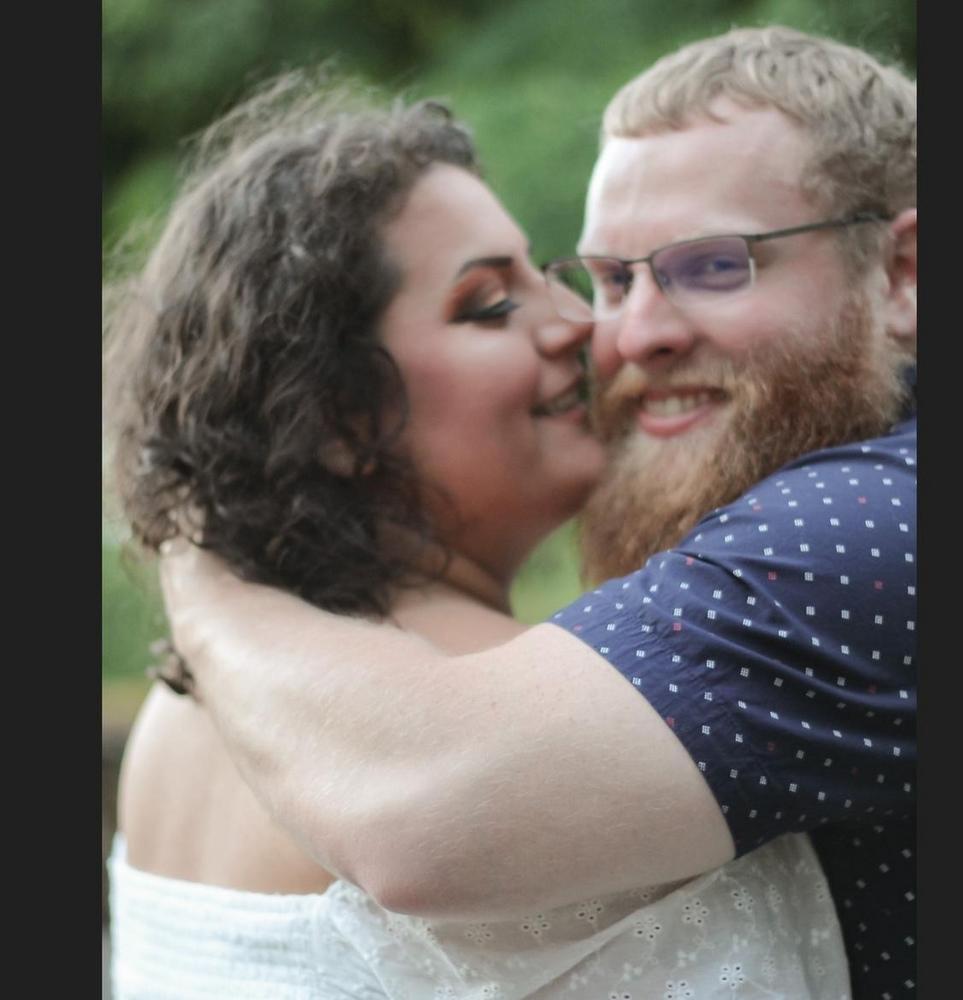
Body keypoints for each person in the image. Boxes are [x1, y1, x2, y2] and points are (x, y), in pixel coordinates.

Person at [160, 26, 916, 999]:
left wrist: (200, 574)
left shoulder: (874, 517)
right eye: (609, 278)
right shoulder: (294, 699)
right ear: (334, 416)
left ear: (904, 273)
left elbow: (428, 813)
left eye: (712, 265)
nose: (607, 333)